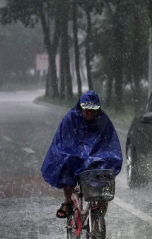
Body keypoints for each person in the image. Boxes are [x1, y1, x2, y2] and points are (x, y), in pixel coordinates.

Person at [41, 90, 122, 219]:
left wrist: (101, 157)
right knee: (65, 166)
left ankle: (99, 218)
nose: (89, 113)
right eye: (86, 110)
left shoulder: (103, 121)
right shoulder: (71, 118)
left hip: (96, 159)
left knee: (104, 182)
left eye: (93, 110)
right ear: (81, 108)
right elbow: (63, 142)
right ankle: (68, 202)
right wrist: (77, 154)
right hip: (75, 156)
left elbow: (110, 143)